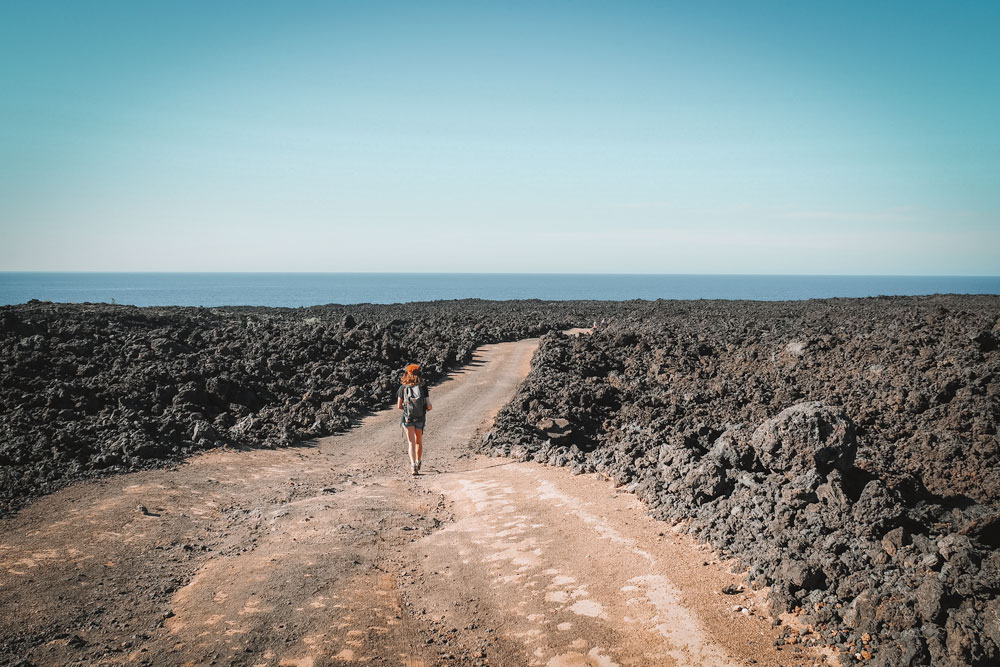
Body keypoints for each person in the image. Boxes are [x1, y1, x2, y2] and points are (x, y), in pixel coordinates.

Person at [397, 363, 431, 475]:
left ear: (407, 374)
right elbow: (429, 405)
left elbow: (399, 406)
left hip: (408, 418)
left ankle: (412, 466)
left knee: (411, 442)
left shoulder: (403, 387)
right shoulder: (423, 387)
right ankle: (418, 462)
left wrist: (408, 409)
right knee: (418, 441)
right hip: (420, 418)